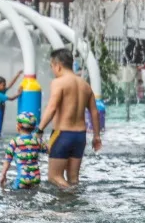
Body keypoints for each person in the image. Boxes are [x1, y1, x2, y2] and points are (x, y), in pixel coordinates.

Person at [37, 48, 102, 189]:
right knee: (73, 179)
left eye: (51, 66)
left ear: (57, 65)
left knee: (54, 177)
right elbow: (94, 112)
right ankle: (74, 207)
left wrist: (40, 129)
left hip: (62, 134)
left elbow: (52, 107)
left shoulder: (58, 82)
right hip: (80, 136)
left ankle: (69, 198)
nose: (52, 70)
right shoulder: (85, 85)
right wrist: (96, 136)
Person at [0, 112, 45, 190]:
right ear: (34, 128)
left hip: (22, 178)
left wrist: (3, 175)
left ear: (18, 127)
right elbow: (50, 151)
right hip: (36, 176)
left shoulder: (14, 142)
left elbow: (7, 161)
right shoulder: (38, 141)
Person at [0, 70, 23, 138]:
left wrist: (17, 75)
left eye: (5, 85)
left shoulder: (1, 91)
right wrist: (19, 94)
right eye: (3, 85)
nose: (5, 87)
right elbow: (11, 98)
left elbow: (10, 85)